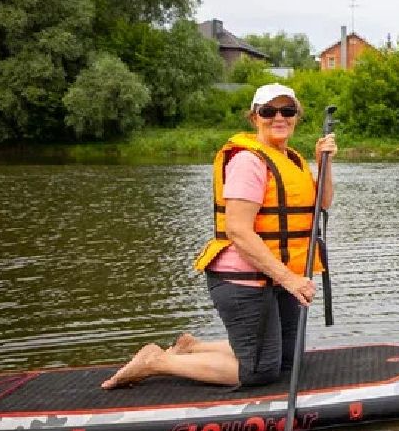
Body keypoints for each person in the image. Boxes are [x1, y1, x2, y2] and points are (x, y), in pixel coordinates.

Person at [102, 83, 336, 389]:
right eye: (268, 111)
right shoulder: (248, 161)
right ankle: (158, 361)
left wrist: (324, 164)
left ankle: (192, 348)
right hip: (242, 279)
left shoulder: (291, 159)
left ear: (296, 116)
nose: (279, 117)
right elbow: (237, 230)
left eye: (287, 110)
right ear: (254, 117)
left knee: (289, 362)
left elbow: (323, 203)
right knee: (260, 372)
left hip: (277, 277)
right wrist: (290, 279)